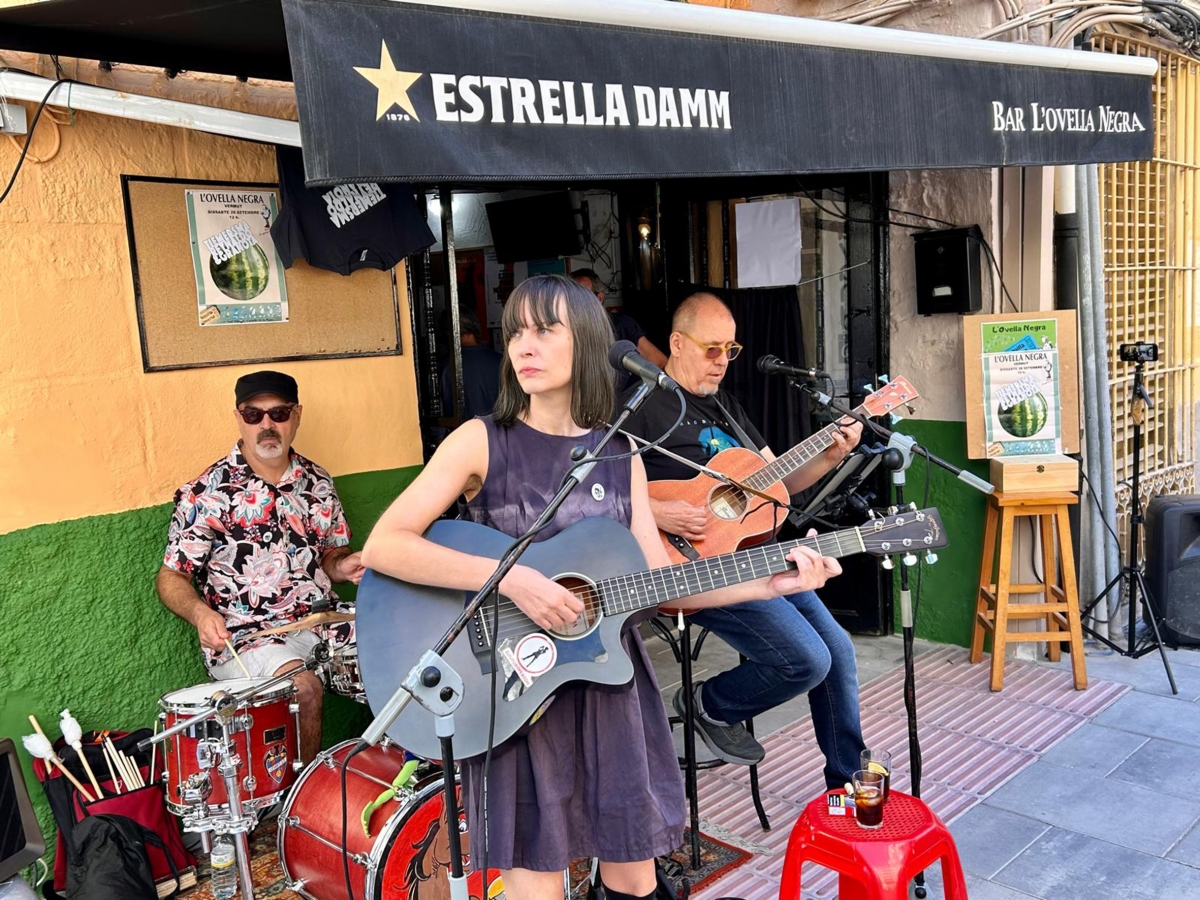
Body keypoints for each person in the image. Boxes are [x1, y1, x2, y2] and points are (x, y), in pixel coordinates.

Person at [361, 275, 840, 900]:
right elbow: (385, 544)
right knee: (536, 882)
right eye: (516, 332)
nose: (523, 346)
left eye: (544, 330)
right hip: (515, 689)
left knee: (634, 878)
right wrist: (514, 580)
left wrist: (765, 584)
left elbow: (660, 587)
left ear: (587, 342)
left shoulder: (621, 454)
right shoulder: (481, 441)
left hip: (611, 688)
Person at [619, 292, 867, 786]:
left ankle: (847, 784)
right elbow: (593, 486)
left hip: (752, 555)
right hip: (693, 568)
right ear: (676, 343)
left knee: (839, 651)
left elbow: (779, 480)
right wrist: (655, 510)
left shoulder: (725, 407)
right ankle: (710, 704)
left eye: (730, 350)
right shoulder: (640, 404)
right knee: (807, 659)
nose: (721, 361)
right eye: (711, 348)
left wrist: (831, 455)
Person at [155, 371, 365, 762]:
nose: (267, 425)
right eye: (254, 415)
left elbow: (331, 557)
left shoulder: (317, 481)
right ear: (239, 418)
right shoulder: (206, 493)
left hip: (322, 620)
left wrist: (344, 564)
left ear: (296, 415)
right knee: (301, 688)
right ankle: (298, 796)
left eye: (278, 413)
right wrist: (199, 614)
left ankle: (413, 778)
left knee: (405, 648)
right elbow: (172, 575)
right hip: (250, 636)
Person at [570, 268, 667, 387]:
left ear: (599, 298)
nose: (576, 304)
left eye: (584, 297)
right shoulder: (565, 333)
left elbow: (660, 363)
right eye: (571, 298)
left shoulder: (622, 325)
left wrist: (640, 394)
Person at [441, 306, 502, 420]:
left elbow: (446, 411)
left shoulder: (447, 366)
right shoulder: (500, 361)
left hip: (464, 429)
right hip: (500, 428)